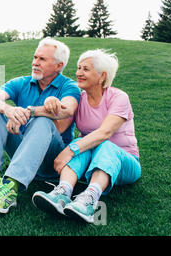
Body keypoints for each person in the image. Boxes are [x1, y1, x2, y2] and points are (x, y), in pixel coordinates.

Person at [0, 37, 80, 214]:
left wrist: (29, 112)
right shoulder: (22, 82)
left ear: (58, 65)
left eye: (42, 59)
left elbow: (67, 109)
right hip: (22, 153)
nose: (35, 62)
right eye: (35, 57)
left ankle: (10, 187)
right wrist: (7, 109)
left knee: (43, 120)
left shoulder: (69, 86)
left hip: (52, 163)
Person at [32, 49, 141, 223]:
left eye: (85, 69)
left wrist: (70, 151)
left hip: (125, 162)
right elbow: (59, 127)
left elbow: (105, 133)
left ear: (102, 76)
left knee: (100, 144)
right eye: (79, 68)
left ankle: (89, 200)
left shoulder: (119, 97)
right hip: (91, 162)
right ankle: (62, 192)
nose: (78, 73)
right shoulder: (80, 99)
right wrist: (47, 105)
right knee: (79, 141)